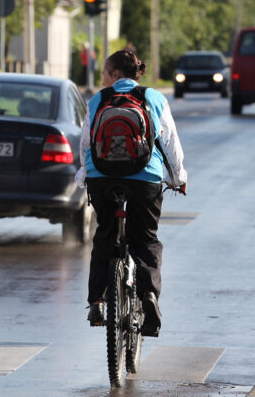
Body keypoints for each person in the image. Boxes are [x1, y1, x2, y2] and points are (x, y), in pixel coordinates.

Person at [76, 49, 187, 337]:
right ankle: (148, 296)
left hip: (101, 177)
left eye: (104, 74)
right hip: (145, 177)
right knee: (145, 239)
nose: (103, 79)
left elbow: (86, 143)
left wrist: (84, 174)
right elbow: (169, 141)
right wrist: (179, 178)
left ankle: (97, 302)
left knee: (104, 235)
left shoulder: (99, 99)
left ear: (115, 75)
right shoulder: (154, 97)